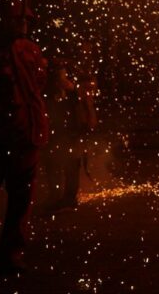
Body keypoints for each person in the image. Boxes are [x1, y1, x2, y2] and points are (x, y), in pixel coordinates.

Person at [0, 0, 48, 275]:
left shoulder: (30, 50)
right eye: (18, 20)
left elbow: (38, 83)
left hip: (26, 132)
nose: (23, 25)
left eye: (26, 20)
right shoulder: (0, 51)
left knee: (21, 201)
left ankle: (11, 254)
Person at [43, 53, 97, 212]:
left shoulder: (74, 89)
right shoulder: (51, 88)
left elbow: (83, 108)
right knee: (53, 163)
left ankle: (68, 198)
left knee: (71, 164)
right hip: (58, 131)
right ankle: (56, 195)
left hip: (72, 131)